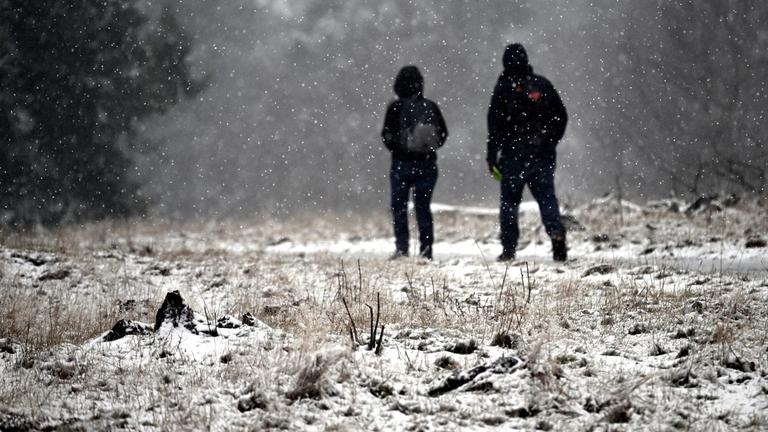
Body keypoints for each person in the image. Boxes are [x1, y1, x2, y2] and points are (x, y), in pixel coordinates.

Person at [486, 43, 568, 262]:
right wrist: (550, 141)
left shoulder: (503, 87)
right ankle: (557, 235)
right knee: (547, 199)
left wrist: (492, 154)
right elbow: (561, 116)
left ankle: (509, 248)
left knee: (509, 204)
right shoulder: (542, 85)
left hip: (512, 158)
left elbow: (494, 125)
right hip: (542, 156)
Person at [381, 65, 448, 260]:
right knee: (423, 208)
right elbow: (443, 134)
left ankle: (402, 248)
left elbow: (387, 136)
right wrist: (427, 148)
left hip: (401, 164)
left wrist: (401, 149)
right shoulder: (431, 106)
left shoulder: (395, 107)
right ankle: (426, 250)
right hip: (427, 165)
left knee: (399, 207)